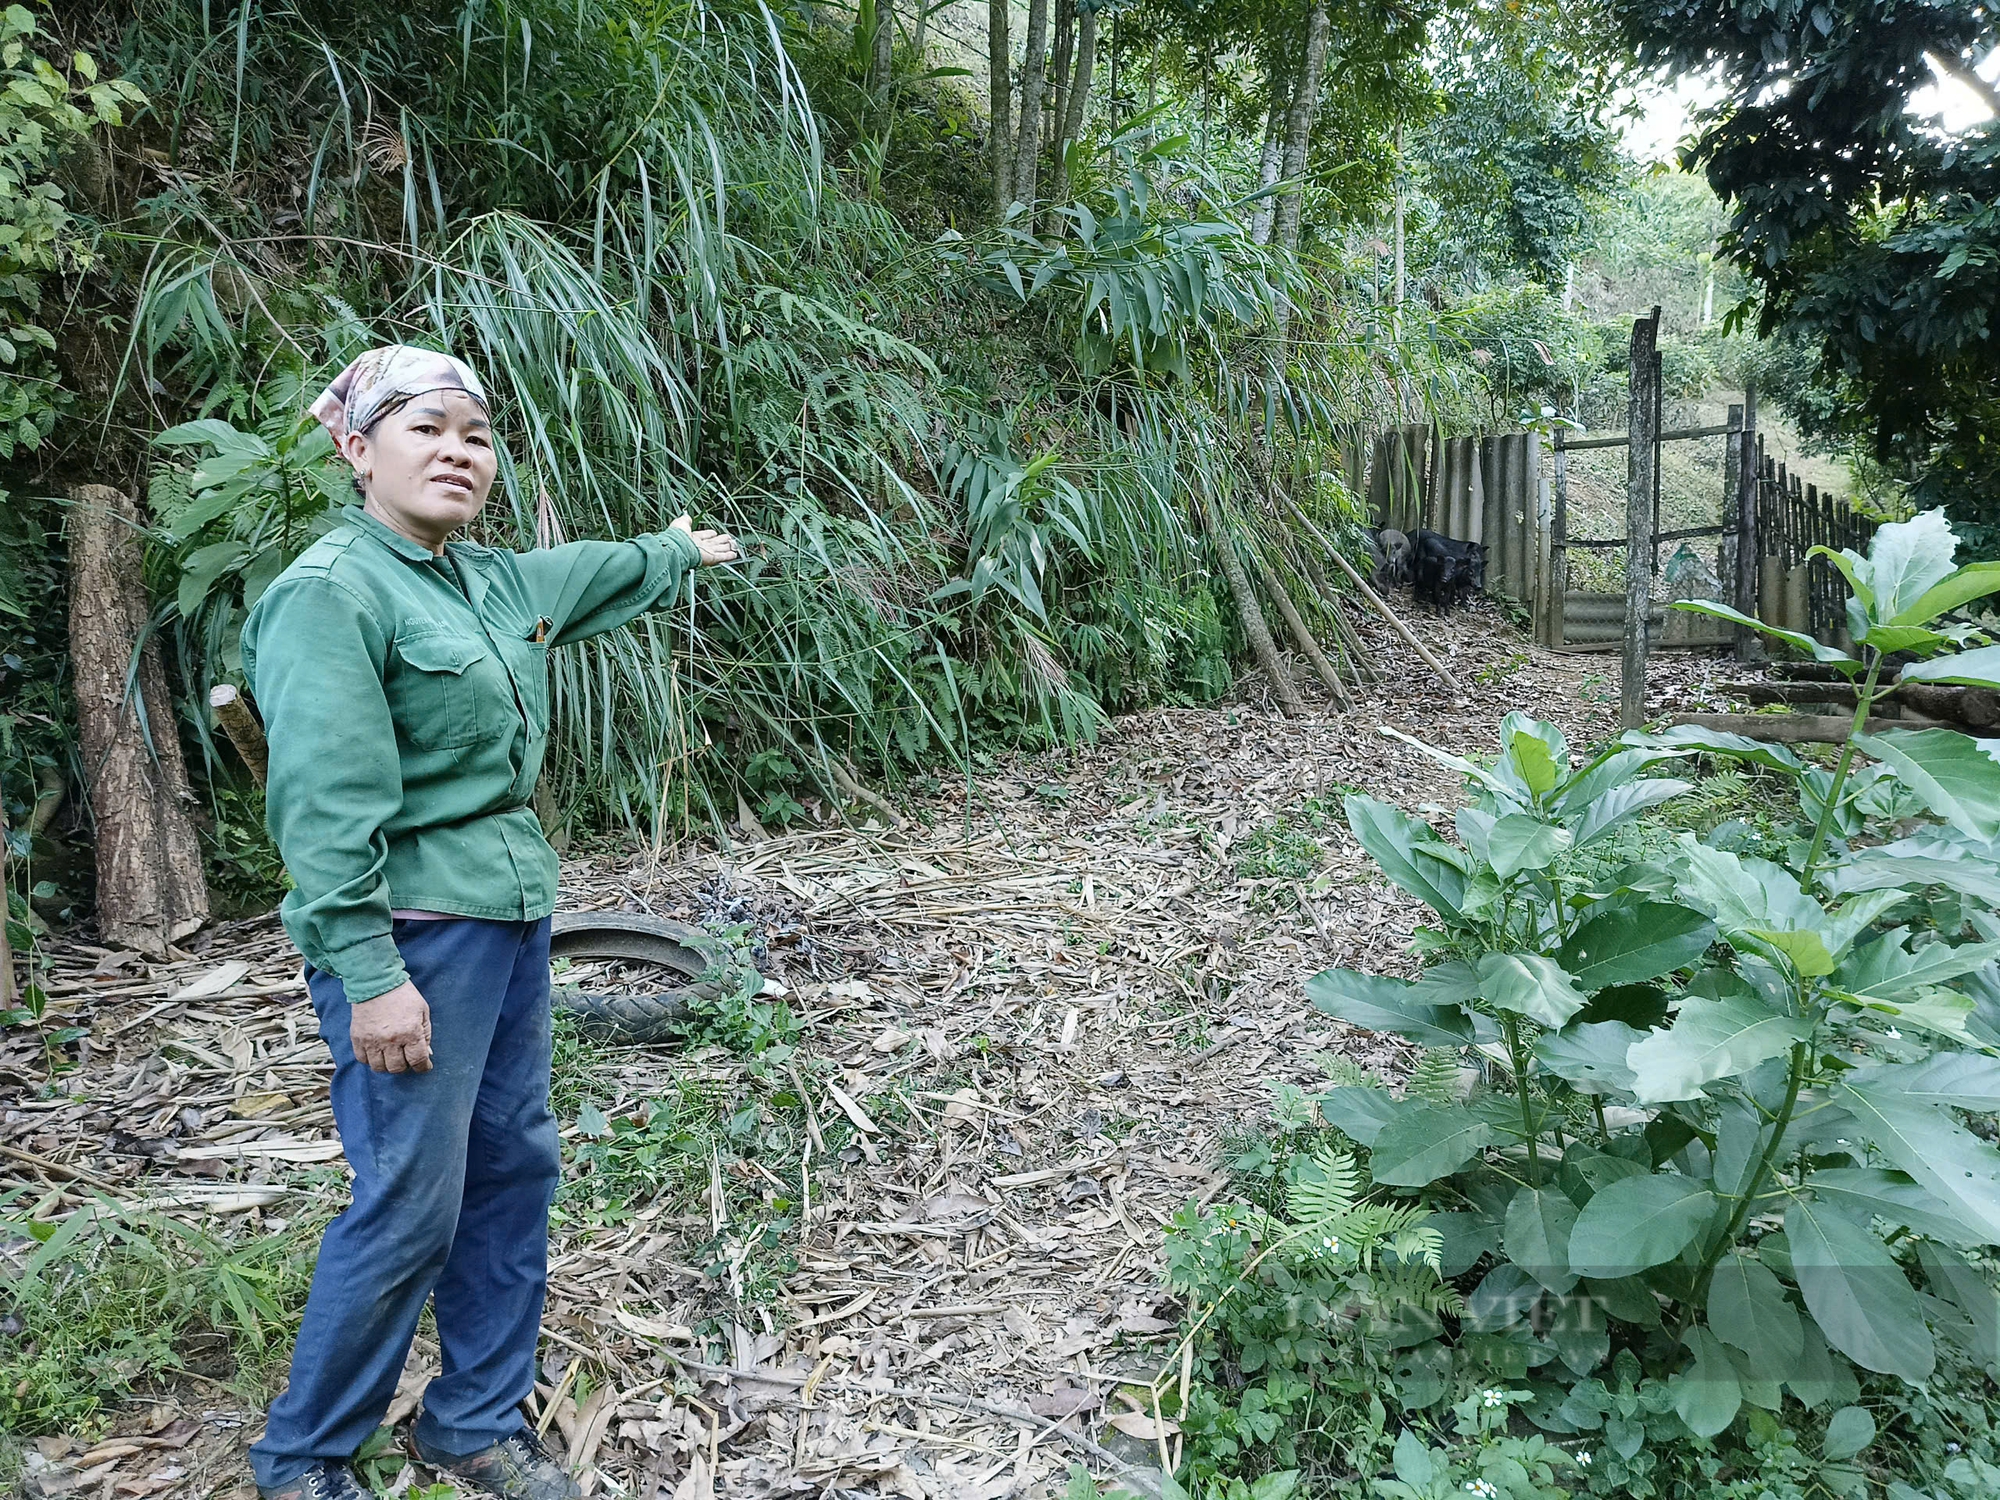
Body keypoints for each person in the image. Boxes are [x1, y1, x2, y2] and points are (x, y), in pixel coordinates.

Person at [241, 345, 739, 1500]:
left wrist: (678, 551)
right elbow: (320, 809)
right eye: (425, 429)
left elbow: (593, 571)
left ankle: (469, 1422)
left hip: (509, 917)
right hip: (412, 936)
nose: (456, 450)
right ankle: (303, 1457)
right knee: (412, 1193)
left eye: (473, 433)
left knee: (512, 1164)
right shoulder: (334, 593)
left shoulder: (482, 581)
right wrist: (370, 974)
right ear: (356, 450)